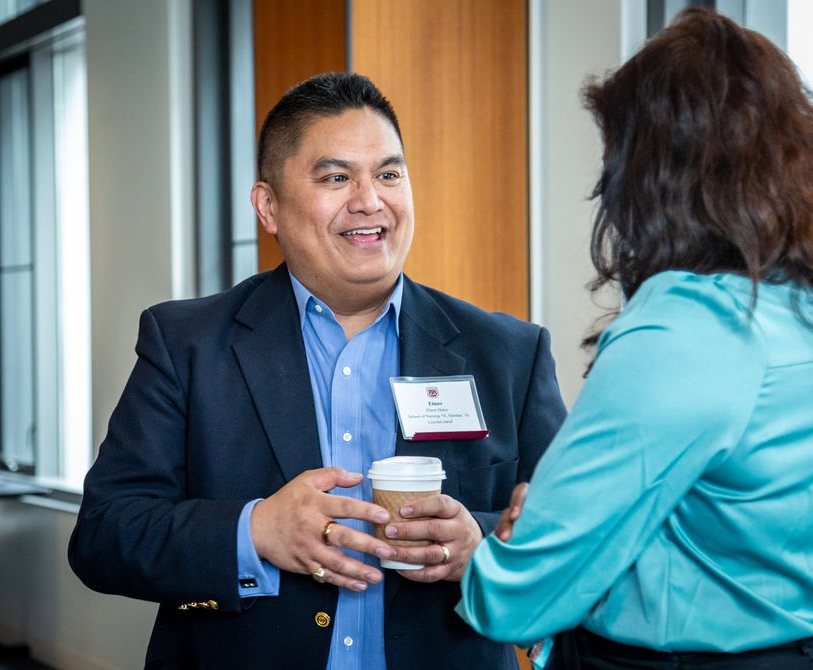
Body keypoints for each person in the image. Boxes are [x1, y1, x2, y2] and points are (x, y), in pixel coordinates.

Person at [456, 8, 813, 669]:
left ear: (655, 170)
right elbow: (725, 507)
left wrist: (507, 547)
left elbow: (514, 600)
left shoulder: (689, 325)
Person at [68, 72, 567, 669]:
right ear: (268, 206)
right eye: (336, 177)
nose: (370, 200)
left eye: (388, 173)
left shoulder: (507, 353)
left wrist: (480, 544)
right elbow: (105, 534)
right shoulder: (188, 344)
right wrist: (256, 532)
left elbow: (567, 527)